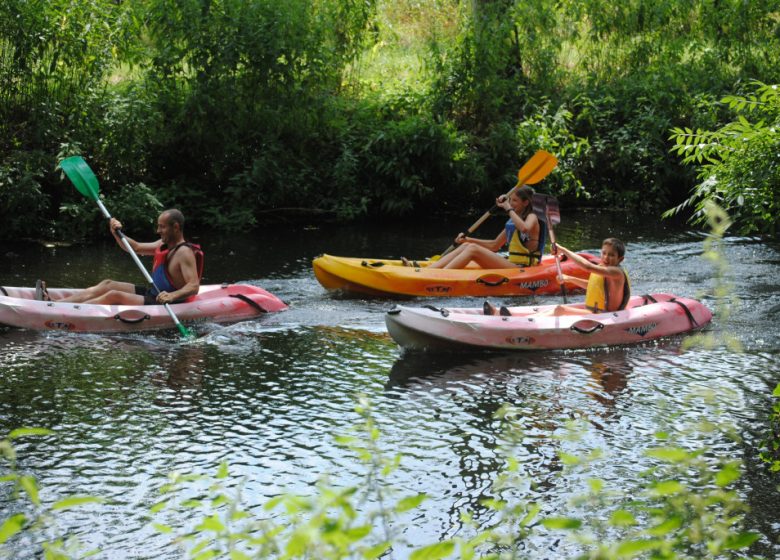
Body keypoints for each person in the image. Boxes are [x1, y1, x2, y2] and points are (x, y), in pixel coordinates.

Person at [39, 209, 203, 305]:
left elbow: (193, 286)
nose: (158, 231)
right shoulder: (162, 244)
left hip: (166, 301)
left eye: (162, 227)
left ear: (175, 227)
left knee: (114, 295)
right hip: (154, 292)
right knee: (108, 284)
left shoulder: (184, 252)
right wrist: (116, 233)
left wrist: (171, 296)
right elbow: (135, 247)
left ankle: (62, 311)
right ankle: (55, 303)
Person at [425, 185, 545, 270]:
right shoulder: (513, 221)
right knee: (468, 245)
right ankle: (430, 270)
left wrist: (508, 208)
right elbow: (494, 245)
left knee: (473, 249)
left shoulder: (532, 217)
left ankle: (439, 275)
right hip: (511, 263)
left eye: (515, 200)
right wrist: (467, 240)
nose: (511, 203)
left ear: (525, 203)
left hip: (522, 268)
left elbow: (524, 228)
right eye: (510, 200)